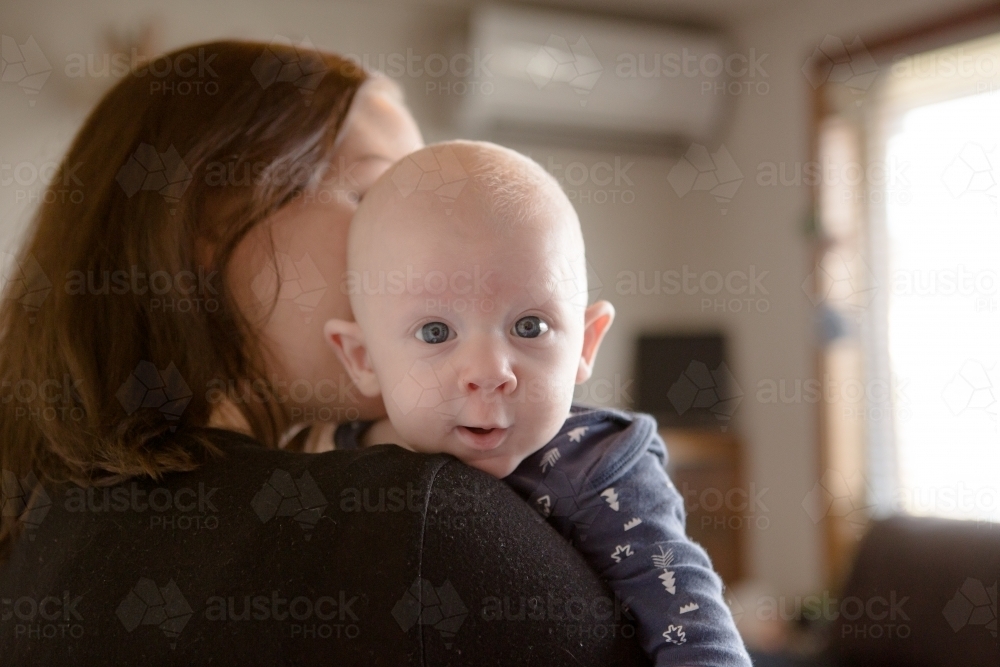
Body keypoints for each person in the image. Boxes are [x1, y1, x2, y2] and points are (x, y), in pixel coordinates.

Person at [0, 41, 649, 664]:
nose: (434, 248)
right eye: (375, 196)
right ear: (207, 214)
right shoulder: (415, 525)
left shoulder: (38, 533)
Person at [323, 140, 753, 666]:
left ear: (586, 344)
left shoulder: (601, 468)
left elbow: (696, 631)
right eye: (436, 331)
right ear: (363, 358)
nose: (489, 372)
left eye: (530, 326)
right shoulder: (341, 458)